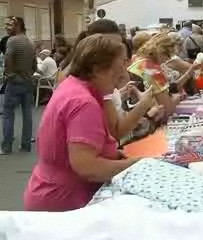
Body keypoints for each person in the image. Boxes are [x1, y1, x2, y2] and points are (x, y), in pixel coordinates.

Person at [24, 34, 140, 212]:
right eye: (119, 67)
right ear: (97, 69)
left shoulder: (72, 86)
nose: (123, 75)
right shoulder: (84, 103)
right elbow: (87, 167)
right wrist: (139, 164)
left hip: (49, 191)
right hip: (65, 201)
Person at [1, 16, 36, 155]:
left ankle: (6, 146)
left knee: (8, 114)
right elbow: (34, 64)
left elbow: (8, 58)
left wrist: (10, 75)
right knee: (27, 114)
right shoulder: (30, 41)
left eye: (10, 25)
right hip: (28, 82)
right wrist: (29, 74)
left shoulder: (12, 40)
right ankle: (26, 145)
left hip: (15, 81)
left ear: (18, 26)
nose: (7, 27)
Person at [128, 33, 182, 117]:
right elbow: (168, 109)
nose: (168, 60)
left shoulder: (136, 61)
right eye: (169, 56)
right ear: (162, 53)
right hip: (152, 118)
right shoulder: (154, 70)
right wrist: (175, 100)